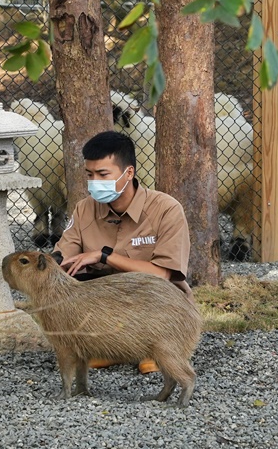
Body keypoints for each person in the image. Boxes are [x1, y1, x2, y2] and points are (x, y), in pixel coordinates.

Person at [53, 130, 193, 374]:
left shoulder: (166, 209)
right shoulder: (84, 209)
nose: (95, 182)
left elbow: (162, 276)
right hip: (107, 306)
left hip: (157, 304)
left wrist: (103, 255)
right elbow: (63, 257)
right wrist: (52, 265)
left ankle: (155, 347)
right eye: (90, 175)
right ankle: (109, 346)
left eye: (103, 174)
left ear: (128, 173)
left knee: (154, 359)